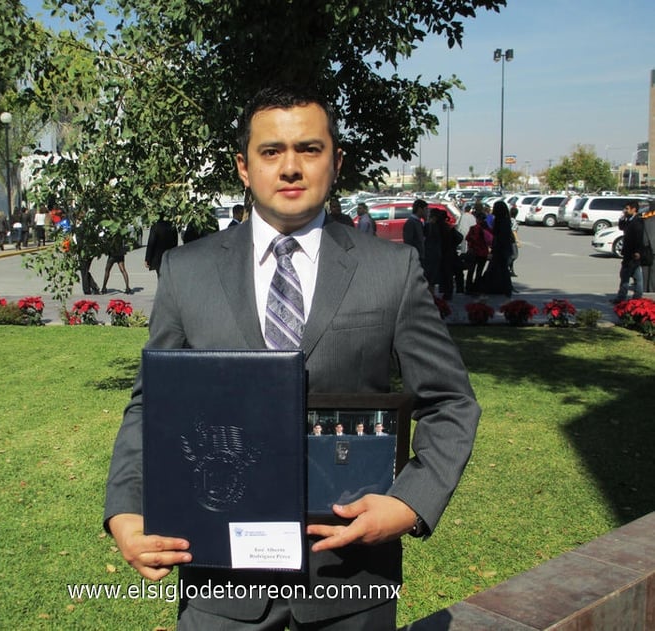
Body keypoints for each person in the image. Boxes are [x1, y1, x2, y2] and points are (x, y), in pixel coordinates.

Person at [104, 86, 480, 630]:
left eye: (308, 148)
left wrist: (410, 504)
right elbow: (150, 407)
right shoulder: (186, 272)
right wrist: (125, 507)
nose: (290, 168)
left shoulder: (391, 271)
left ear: (336, 160)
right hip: (219, 586)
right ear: (243, 166)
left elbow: (451, 403)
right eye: (271, 151)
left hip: (349, 584)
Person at [611, 200, 645, 303]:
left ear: (633, 209)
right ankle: (636, 296)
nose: (625, 210)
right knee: (636, 275)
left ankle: (623, 297)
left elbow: (639, 238)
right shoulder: (629, 219)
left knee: (625, 275)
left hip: (633, 253)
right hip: (628, 252)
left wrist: (637, 251)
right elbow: (621, 227)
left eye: (627, 208)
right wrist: (622, 217)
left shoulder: (638, 221)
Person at [479, 201, 514, 297]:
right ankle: (503, 288)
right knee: (500, 269)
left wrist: (495, 248)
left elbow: (499, 236)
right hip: (504, 248)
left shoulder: (500, 221)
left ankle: (504, 288)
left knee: (500, 269)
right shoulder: (505, 220)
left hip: (501, 248)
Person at [465, 212, 492, 294]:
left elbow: (467, 238)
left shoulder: (473, 228)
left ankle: (468, 288)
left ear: (477, 219)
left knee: (471, 271)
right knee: (479, 272)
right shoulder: (487, 229)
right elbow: (490, 240)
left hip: (474, 252)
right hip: (483, 252)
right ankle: (477, 287)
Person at [509, 206, 521, 277]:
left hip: (508, 239)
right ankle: (505, 267)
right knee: (514, 255)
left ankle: (511, 270)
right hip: (512, 240)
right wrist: (517, 241)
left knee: (510, 255)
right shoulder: (514, 221)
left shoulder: (509, 220)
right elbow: (514, 231)